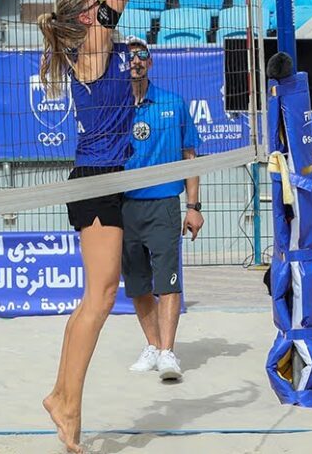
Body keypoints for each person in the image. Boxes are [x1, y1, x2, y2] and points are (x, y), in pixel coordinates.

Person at [36, 0, 139, 454]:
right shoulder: (92, 49)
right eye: (96, 3)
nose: (106, 3)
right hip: (97, 181)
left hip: (111, 178)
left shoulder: (103, 47)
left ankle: (64, 399)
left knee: (98, 297)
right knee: (98, 299)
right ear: (85, 19)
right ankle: (64, 400)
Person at [121, 36, 202, 382]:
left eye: (142, 56)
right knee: (138, 285)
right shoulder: (113, 107)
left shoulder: (173, 103)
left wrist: (193, 206)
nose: (136, 61)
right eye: (129, 57)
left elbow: (189, 157)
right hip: (124, 205)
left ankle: (168, 352)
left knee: (168, 281)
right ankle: (153, 345)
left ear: (150, 62)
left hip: (165, 204)